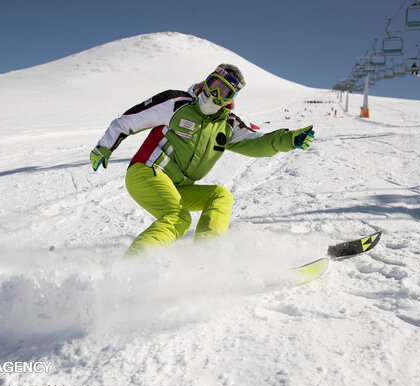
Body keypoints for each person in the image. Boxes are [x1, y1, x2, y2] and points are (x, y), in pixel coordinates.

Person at [89, 64, 315, 255]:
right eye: (214, 84)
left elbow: (259, 142)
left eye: (225, 92)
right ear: (206, 81)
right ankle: (132, 267)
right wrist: (104, 147)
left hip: (179, 186)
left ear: (231, 98)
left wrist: (289, 140)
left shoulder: (228, 125)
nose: (216, 93)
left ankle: (206, 257)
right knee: (178, 218)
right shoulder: (178, 103)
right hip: (147, 172)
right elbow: (128, 121)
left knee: (220, 195)